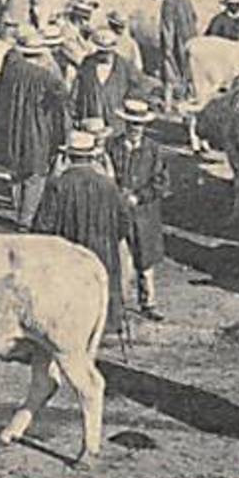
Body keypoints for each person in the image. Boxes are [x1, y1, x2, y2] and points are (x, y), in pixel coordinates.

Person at [33, 130, 128, 331]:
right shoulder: (108, 185)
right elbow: (123, 223)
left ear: (67, 157)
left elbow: (42, 227)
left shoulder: (59, 185)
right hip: (102, 252)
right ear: (92, 156)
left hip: (69, 255)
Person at [0, 30, 70, 229]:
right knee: (35, 174)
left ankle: (18, 211)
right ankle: (26, 219)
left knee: (16, 170)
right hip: (37, 129)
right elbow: (62, 100)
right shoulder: (45, 77)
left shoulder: (12, 69)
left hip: (13, 126)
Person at [106, 100, 169, 322]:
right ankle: (119, 303)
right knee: (120, 259)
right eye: (131, 124)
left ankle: (148, 302)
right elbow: (106, 176)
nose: (134, 129)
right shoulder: (112, 146)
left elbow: (161, 183)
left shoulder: (153, 150)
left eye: (139, 125)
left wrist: (139, 196)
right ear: (125, 123)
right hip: (118, 212)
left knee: (146, 261)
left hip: (144, 214)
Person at [71, 29, 141, 128]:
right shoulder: (87, 64)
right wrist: (75, 118)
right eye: (100, 51)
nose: (103, 54)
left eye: (107, 52)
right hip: (91, 125)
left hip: (116, 126)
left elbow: (135, 90)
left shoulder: (124, 66)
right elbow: (76, 92)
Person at [156, 0, 197, 110]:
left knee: (169, 71)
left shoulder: (168, 1)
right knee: (189, 70)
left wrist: (167, 48)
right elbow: (194, 17)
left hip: (175, 41)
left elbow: (167, 26)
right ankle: (189, 100)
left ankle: (168, 104)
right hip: (190, 39)